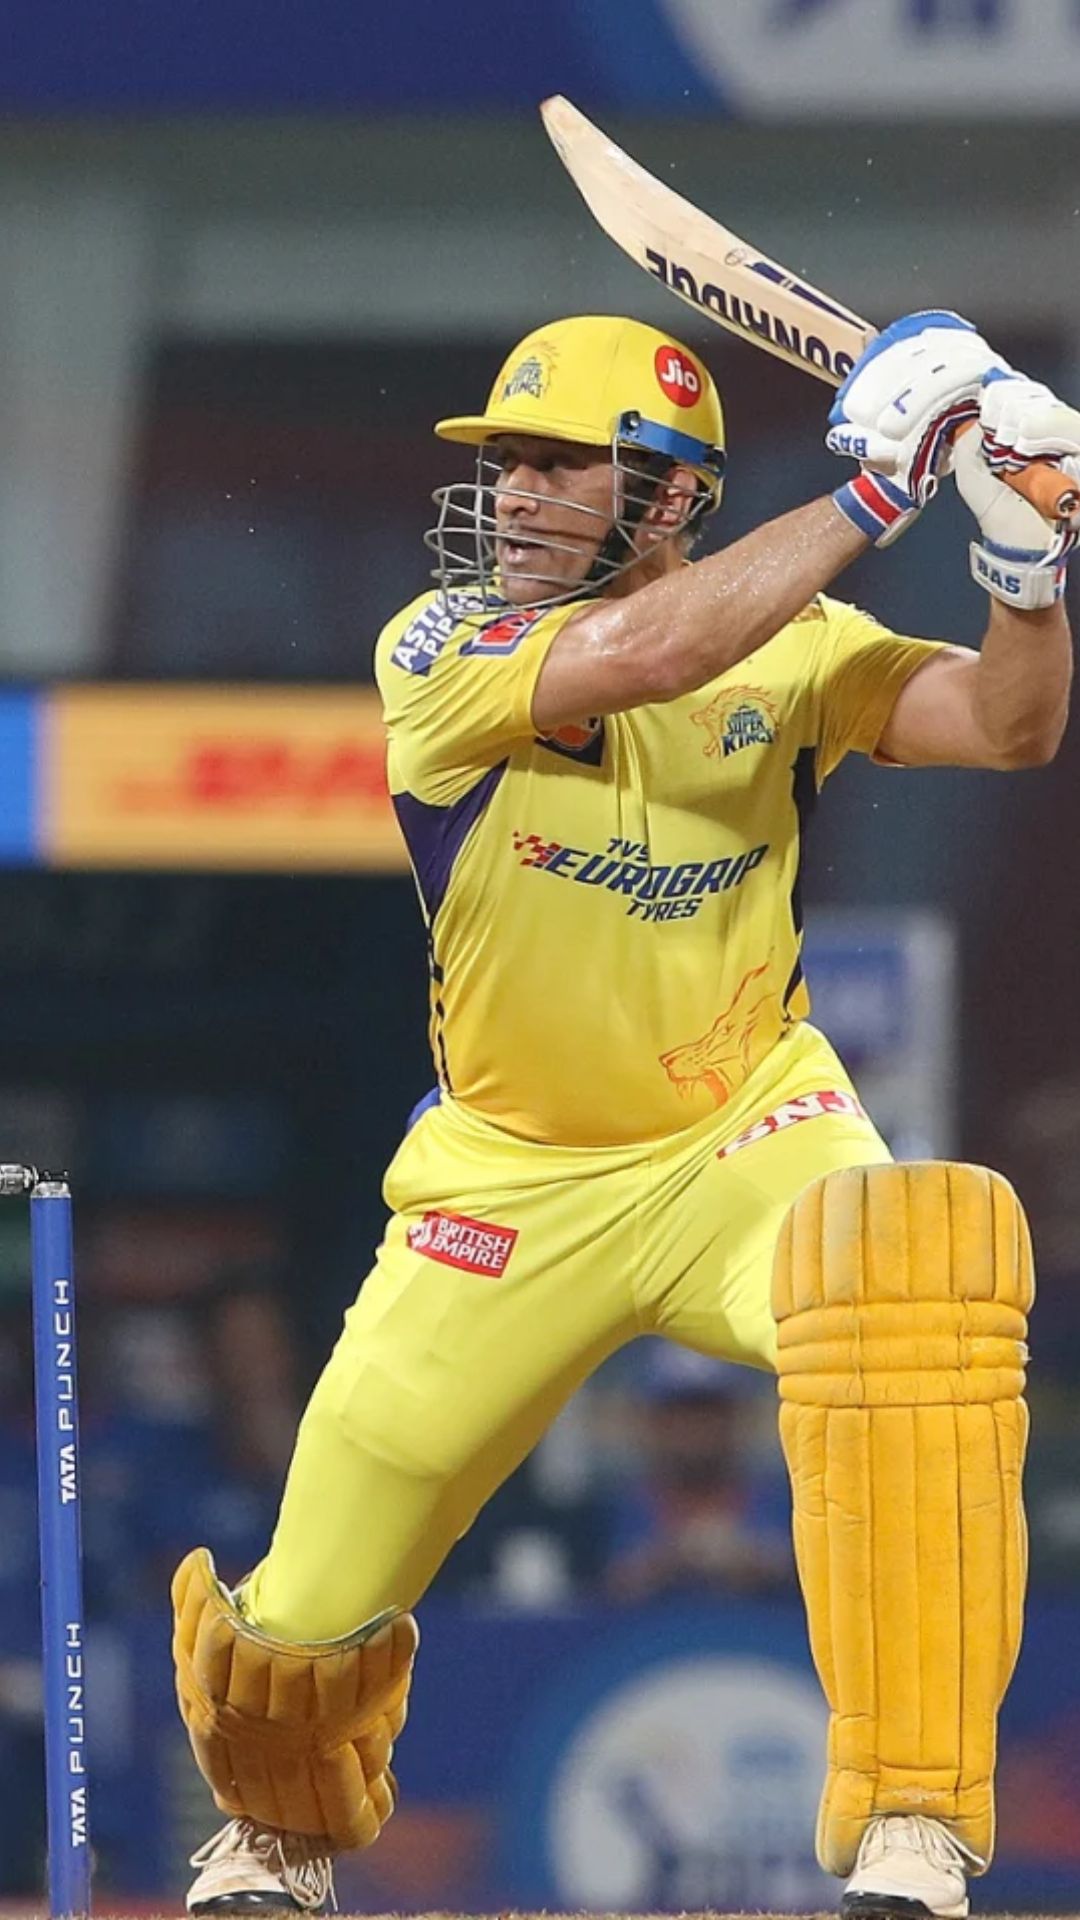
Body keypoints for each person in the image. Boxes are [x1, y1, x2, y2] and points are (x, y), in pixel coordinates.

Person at [171, 310, 1077, 1920]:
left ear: (667, 497)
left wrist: (1022, 560)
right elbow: (648, 659)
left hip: (744, 1133)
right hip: (507, 1180)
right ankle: (277, 1837)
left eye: (554, 465)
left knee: (915, 1275)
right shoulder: (439, 646)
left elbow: (1013, 727)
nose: (511, 495)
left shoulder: (803, 652)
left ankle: (914, 1823)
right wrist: (880, 488)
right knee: (299, 1618)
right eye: (503, 464)